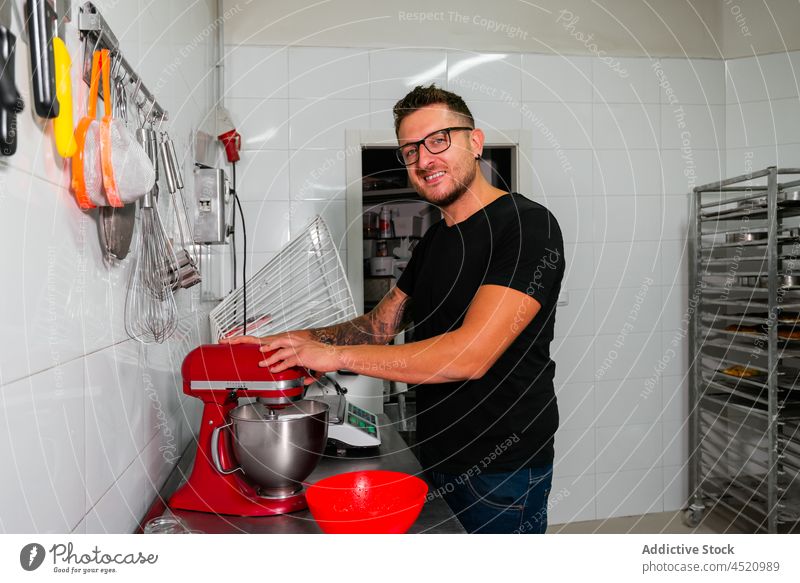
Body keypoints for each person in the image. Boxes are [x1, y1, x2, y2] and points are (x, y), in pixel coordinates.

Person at [225, 84, 564, 534]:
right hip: (438, 452)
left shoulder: (525, 226)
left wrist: (336, 357)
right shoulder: (435, 242)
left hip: (502, 468)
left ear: (475, 142)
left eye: (438, 140)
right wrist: (291, 343)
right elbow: (376, 326)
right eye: (410, 150)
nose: (424, 160)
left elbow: (470, 355)